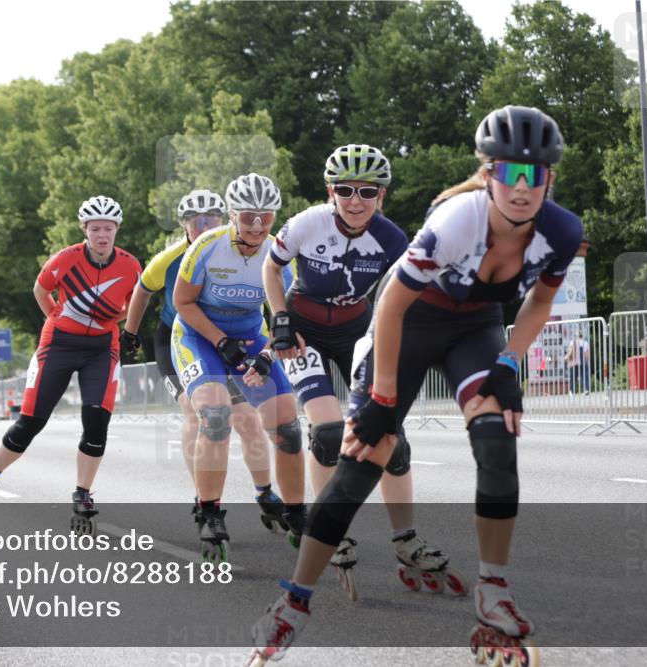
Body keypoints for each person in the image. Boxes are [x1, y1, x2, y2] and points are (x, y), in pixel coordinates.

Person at [247, 106, 581, 664]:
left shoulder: (562, 230)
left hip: (476, 327)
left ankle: (492, 588)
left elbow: (540, 299)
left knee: (497, 441)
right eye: (508, 174)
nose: (522, 189)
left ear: (550, 178)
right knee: (362, 455)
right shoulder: (456, 220)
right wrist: (381, 398)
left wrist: (510, 363)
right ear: (487, 174)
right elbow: (395, 302)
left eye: (536, 175)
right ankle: (294, 602)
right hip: (411, 322)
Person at [262, 144, 462, 601]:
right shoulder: (306, 224)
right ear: (330, 192)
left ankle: (405, 539)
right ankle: (327, 527)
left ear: (381, 196)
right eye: (346, 190)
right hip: (304, 332)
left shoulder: (394, 239)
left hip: (358, 331)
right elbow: (271, 271)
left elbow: (408, 293)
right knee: (330, 433)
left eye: (367, 191)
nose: (356, 200)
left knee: (390, 436)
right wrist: (280, 319)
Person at [0, 195, 141, 535]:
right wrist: (55, 314)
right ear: (84, 229)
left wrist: (116, 318)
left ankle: (82, 493)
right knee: (31, 421)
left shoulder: (129, 265)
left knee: (96, 421)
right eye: (95, 228)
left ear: (116, 230)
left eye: (108, 229)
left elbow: (135, 301)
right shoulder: (65, 258)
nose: (101, 235)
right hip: (59, 344)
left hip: (101, 348)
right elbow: (40, 288)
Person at [121, 190, 287, 532]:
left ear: (224, 219)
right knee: (199, 414)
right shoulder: (172, 257)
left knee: (247, 420)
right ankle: (204, 497)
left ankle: (265, 492)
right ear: (184, 226)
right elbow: (142, 289)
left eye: (210, 219)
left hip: (231, 338)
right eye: (196, 221)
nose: (203, 226)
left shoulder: (233, 248)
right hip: (178, 339)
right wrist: (130, 333)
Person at [171, 173, 306, 562]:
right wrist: (220, 342)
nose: (257, 226)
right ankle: (209, 511)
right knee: (215, 416)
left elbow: (286, 315)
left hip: (250, 338)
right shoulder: (208, 246)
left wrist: (265, 356)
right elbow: (183, 303)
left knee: (287, 425)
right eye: (247, 217)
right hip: (199, 337)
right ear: (231, 214)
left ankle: (297, 512)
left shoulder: (278, 252)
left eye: (266, 216)